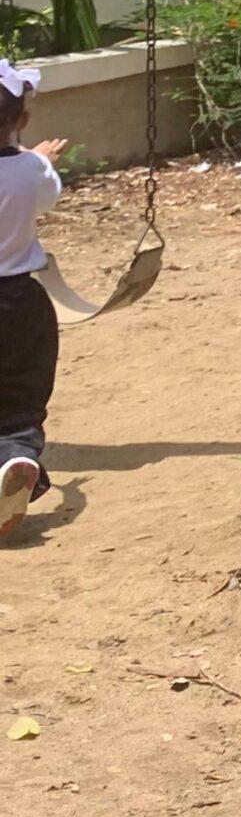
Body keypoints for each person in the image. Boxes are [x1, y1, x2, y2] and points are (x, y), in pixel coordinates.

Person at [0, 59, 67, 536]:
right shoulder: (32, 170)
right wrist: (38, 157)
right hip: (20, 301)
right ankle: (17, 454)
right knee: (22, 392)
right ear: (22, 119)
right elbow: (47, 196)